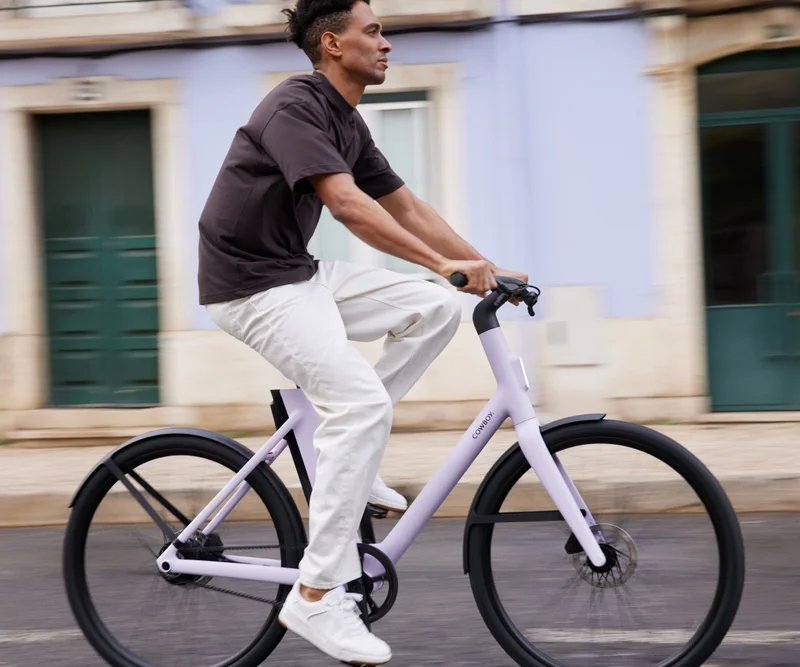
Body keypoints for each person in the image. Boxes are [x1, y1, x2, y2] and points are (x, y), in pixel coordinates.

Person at [197, 0, 527, 663]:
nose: (386, 44)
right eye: (372, 31)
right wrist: (442, 264)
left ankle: (351, 453)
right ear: (332, 44)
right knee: (362, 403)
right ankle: (316, 597)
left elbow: (405, 204)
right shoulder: (295, 107)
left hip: (298, 274)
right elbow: (347, 204)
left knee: (434, 307)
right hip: (251, 287)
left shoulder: (346, 120)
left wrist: (481, 267)